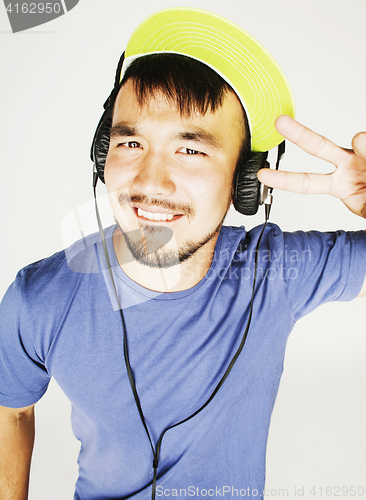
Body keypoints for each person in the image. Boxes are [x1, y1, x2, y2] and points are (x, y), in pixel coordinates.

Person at [0, 7, 365, 500]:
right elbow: (12, 409)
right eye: (130, 141)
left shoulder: (275, 271)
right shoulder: (38, 297)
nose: (150, 183)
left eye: (191, 150)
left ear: (244, 180)